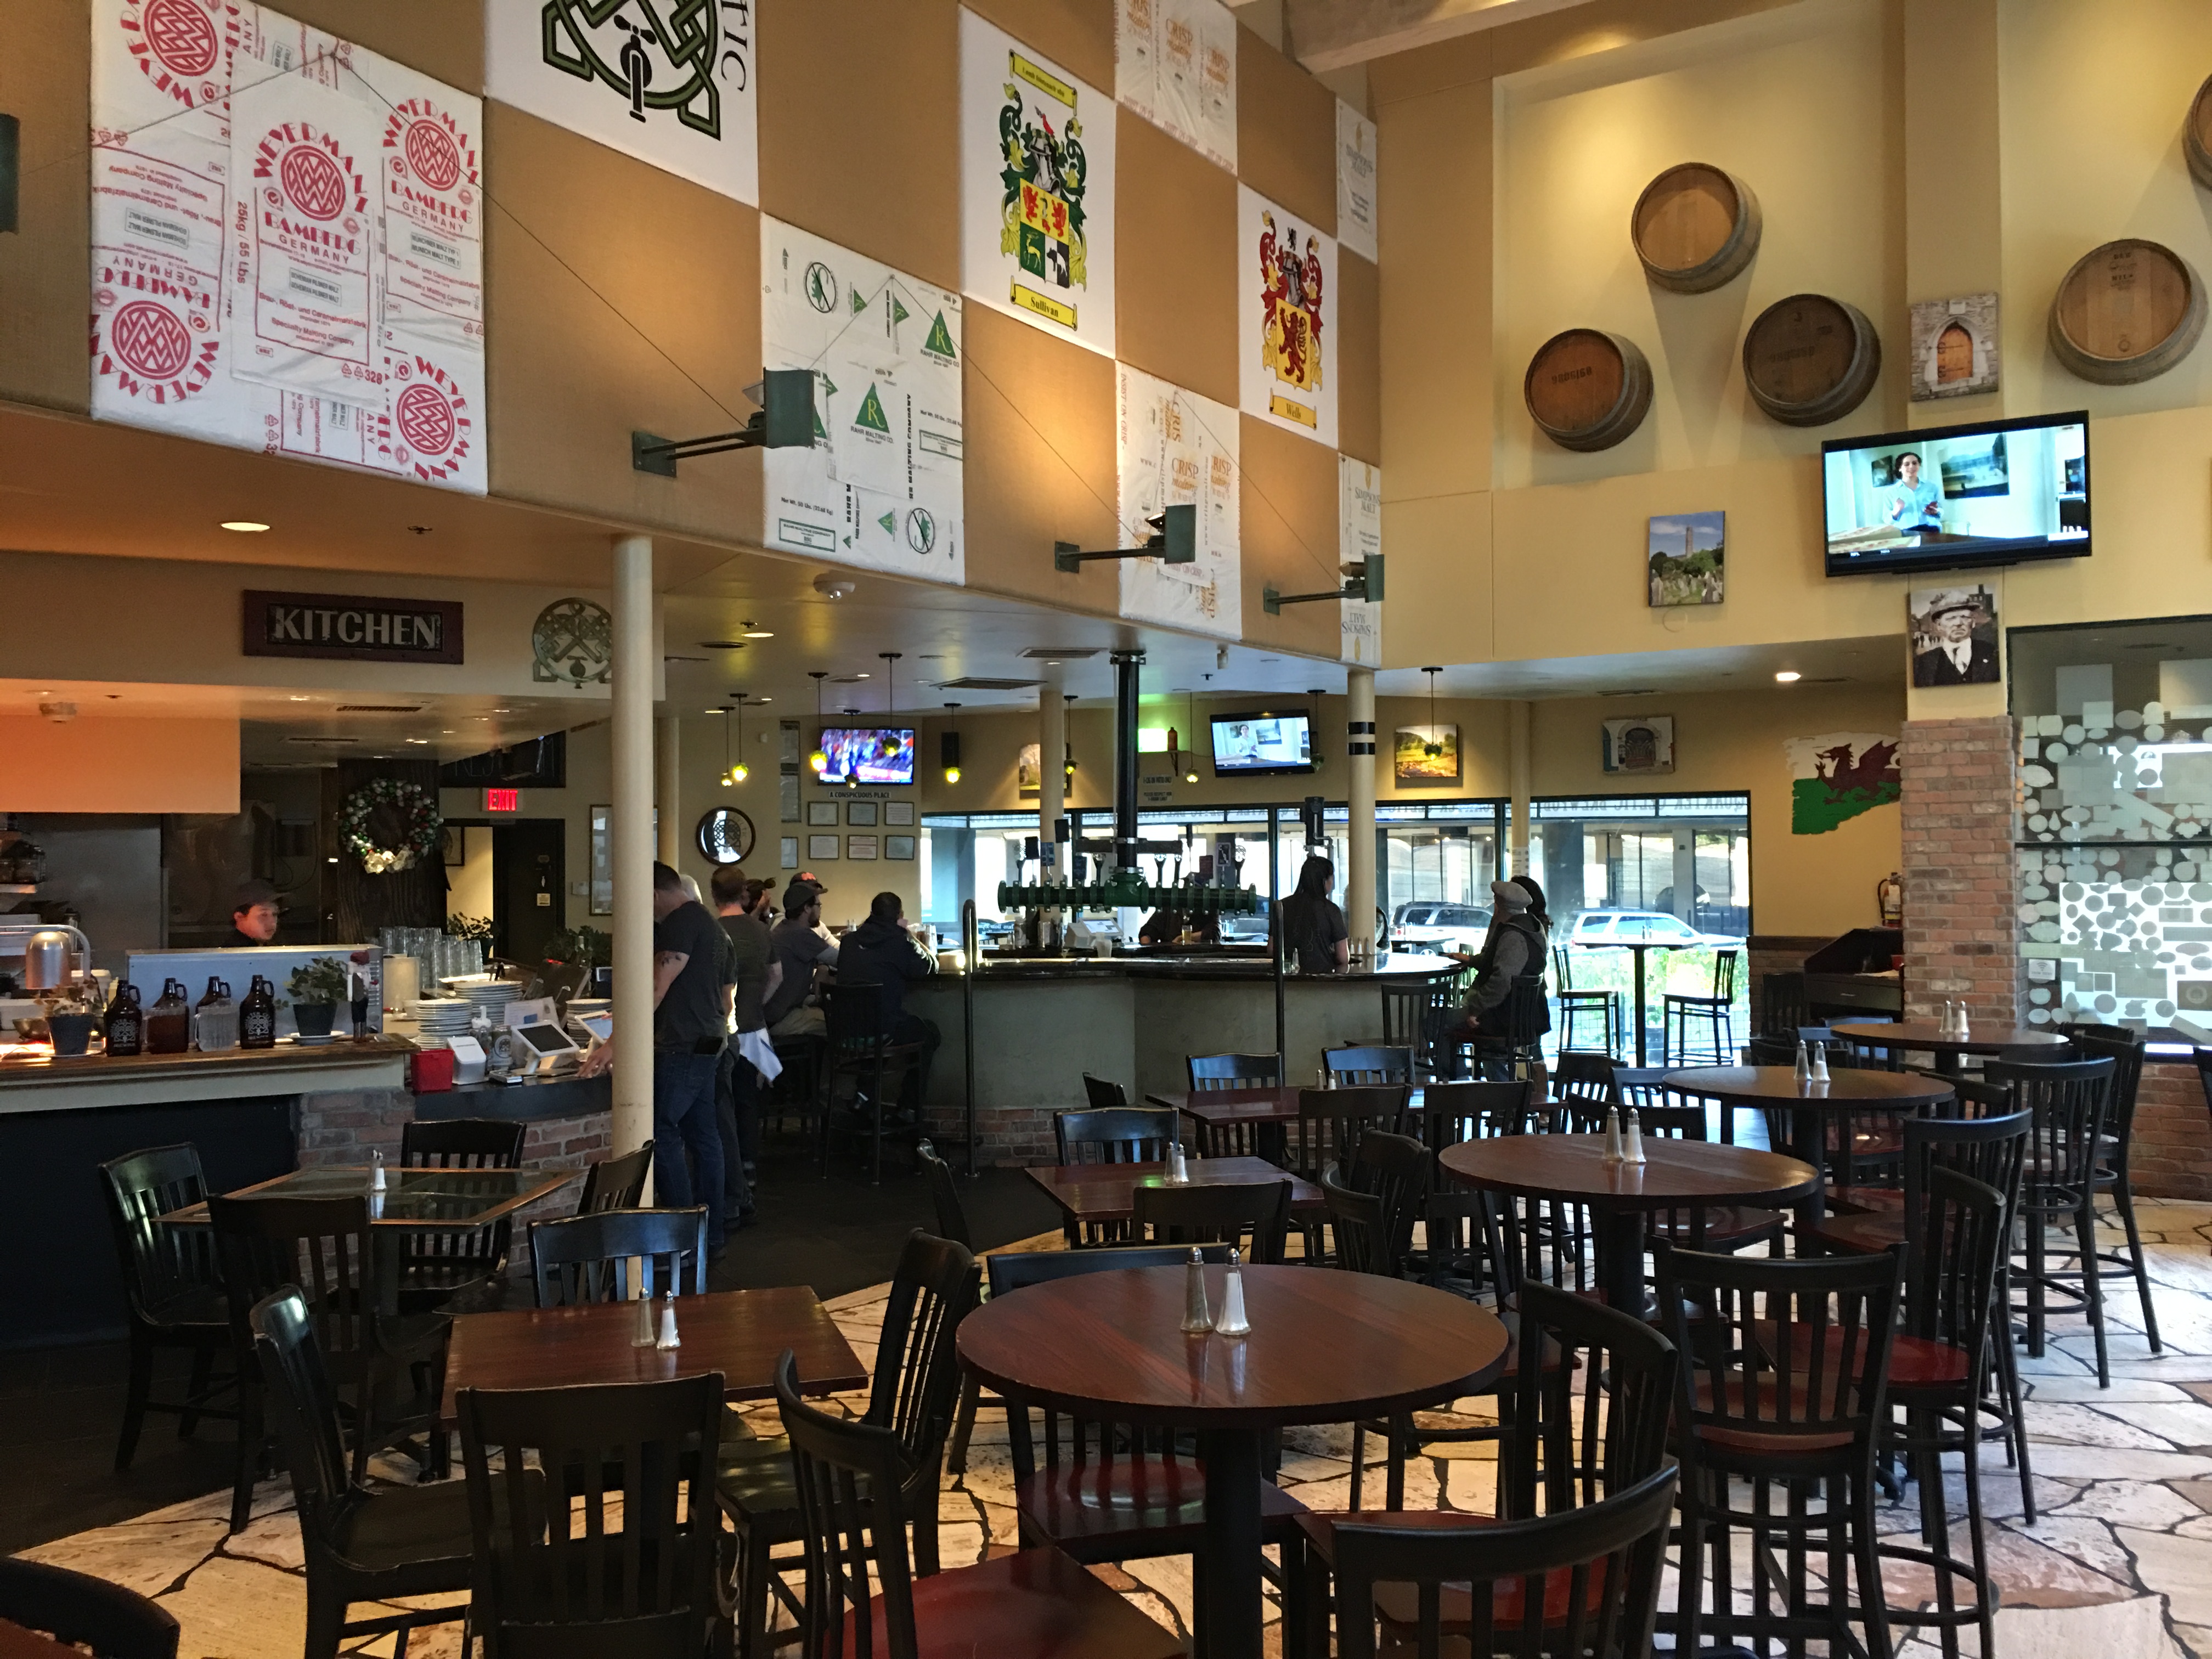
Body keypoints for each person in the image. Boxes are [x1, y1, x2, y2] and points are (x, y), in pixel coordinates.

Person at [579, 862, 732, 1255]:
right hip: (709, 1040)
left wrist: (615, 1042)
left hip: (682, 1045)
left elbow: (656, 988)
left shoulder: (680, 923)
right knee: (704, 1138)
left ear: (652, 894)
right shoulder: (710, 924)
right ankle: (709, 1237)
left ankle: (681, 1240)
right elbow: (723, 993)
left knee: (661, 1133)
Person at [711, 864, 777, 1230]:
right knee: (750, 1100)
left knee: (722, 1103)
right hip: (755, 1026)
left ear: (713, 895)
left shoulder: (712, 931)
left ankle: (728, 1173)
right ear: (745, 894)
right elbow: (777, 976)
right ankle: (749, 1167)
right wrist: (756, 1004)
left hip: (722, 1030)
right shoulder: (762, 931)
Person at [836, 891, 942, 1117]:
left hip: (846, 1032)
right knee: (927, 1033)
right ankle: (909, 1108)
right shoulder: (899, 942)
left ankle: (864, 1095)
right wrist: (910, 936)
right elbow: (930, 967)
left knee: (877, 1029)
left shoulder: (848, 942)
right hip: (883, 1031)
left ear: (872, 913)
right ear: (899, 916)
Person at [1454, 878, 1551, 1064]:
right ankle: (1505, 1081)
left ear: (1499, 906)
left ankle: (1462, 1078)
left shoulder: (1513, 935)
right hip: (1526, 1013)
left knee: (1437, 1024)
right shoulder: (1534, 928)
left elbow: (1502, 981)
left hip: (1504, 1017)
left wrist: (1476, 1008)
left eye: (1495, 902)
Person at [764, 879, 838, 1039]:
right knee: (840, 1021)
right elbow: (840, 960)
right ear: (806, 908)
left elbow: (824, 957)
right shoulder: (800, 934)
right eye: (818, 905)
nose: (820, 909)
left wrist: (823, 966)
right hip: (782, 1018)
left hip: (772, 1013)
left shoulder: (784, 928)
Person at [1279, 856, 1349, 974]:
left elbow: (1272, 949)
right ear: (1324, 881)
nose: (1332, 883)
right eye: (1331, 878)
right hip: (1322, 979)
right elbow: (1343, 957)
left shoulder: (1282, 906)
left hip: (1286, 978)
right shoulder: (1331, 909)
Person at [1913, 590, 1999, 686]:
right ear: (1939, 625)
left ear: (1973, 622)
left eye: (1964, 617)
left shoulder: (1992, 654)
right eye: (1951, 618)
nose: (1958, 623)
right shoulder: (1923, 663)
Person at [1883, 451, 1943, 533]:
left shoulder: (1932, 487)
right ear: (1900, 468)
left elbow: (1941, 510)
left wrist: (1936, 512)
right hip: (1905, 532)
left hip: (1931, 530)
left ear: (1919, 465)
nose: (1911, 466)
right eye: (1907, 464)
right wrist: (1896, 511)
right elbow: (1887, 520)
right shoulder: (1890, 492)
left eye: (1915, 463)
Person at [225, 879, 281, 949]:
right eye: (264, 915)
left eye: (275, 914)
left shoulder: (264, 946)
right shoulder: (237, 952)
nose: (273, 923)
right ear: (240, 917)